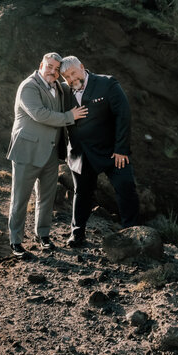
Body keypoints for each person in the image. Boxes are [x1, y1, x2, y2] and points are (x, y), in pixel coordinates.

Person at [6, 52, 88, 257]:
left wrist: (84, 78)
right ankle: (15, 241)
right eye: (49, 66)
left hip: (51, 151)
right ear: (41, 64)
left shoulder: (58, 87)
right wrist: (71, 116)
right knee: (20, 198)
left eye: (56, 69)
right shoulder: (28, 86)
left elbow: (77, 84)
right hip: (27, 151)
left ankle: (43, 236)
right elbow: (40, 114)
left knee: (46, 197)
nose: (52, 71)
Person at [59, 55, 140, 247]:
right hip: (81, 154)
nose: (71, 79)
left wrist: (121, 149)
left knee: (125, 189)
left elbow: (123, 115)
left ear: (82, 67)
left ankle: (132, 234)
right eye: (66, 77)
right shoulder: (63, 92)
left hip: (112, 152)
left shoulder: (107, 83)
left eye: (73, 73)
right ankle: (77, 234)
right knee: (82, 193)